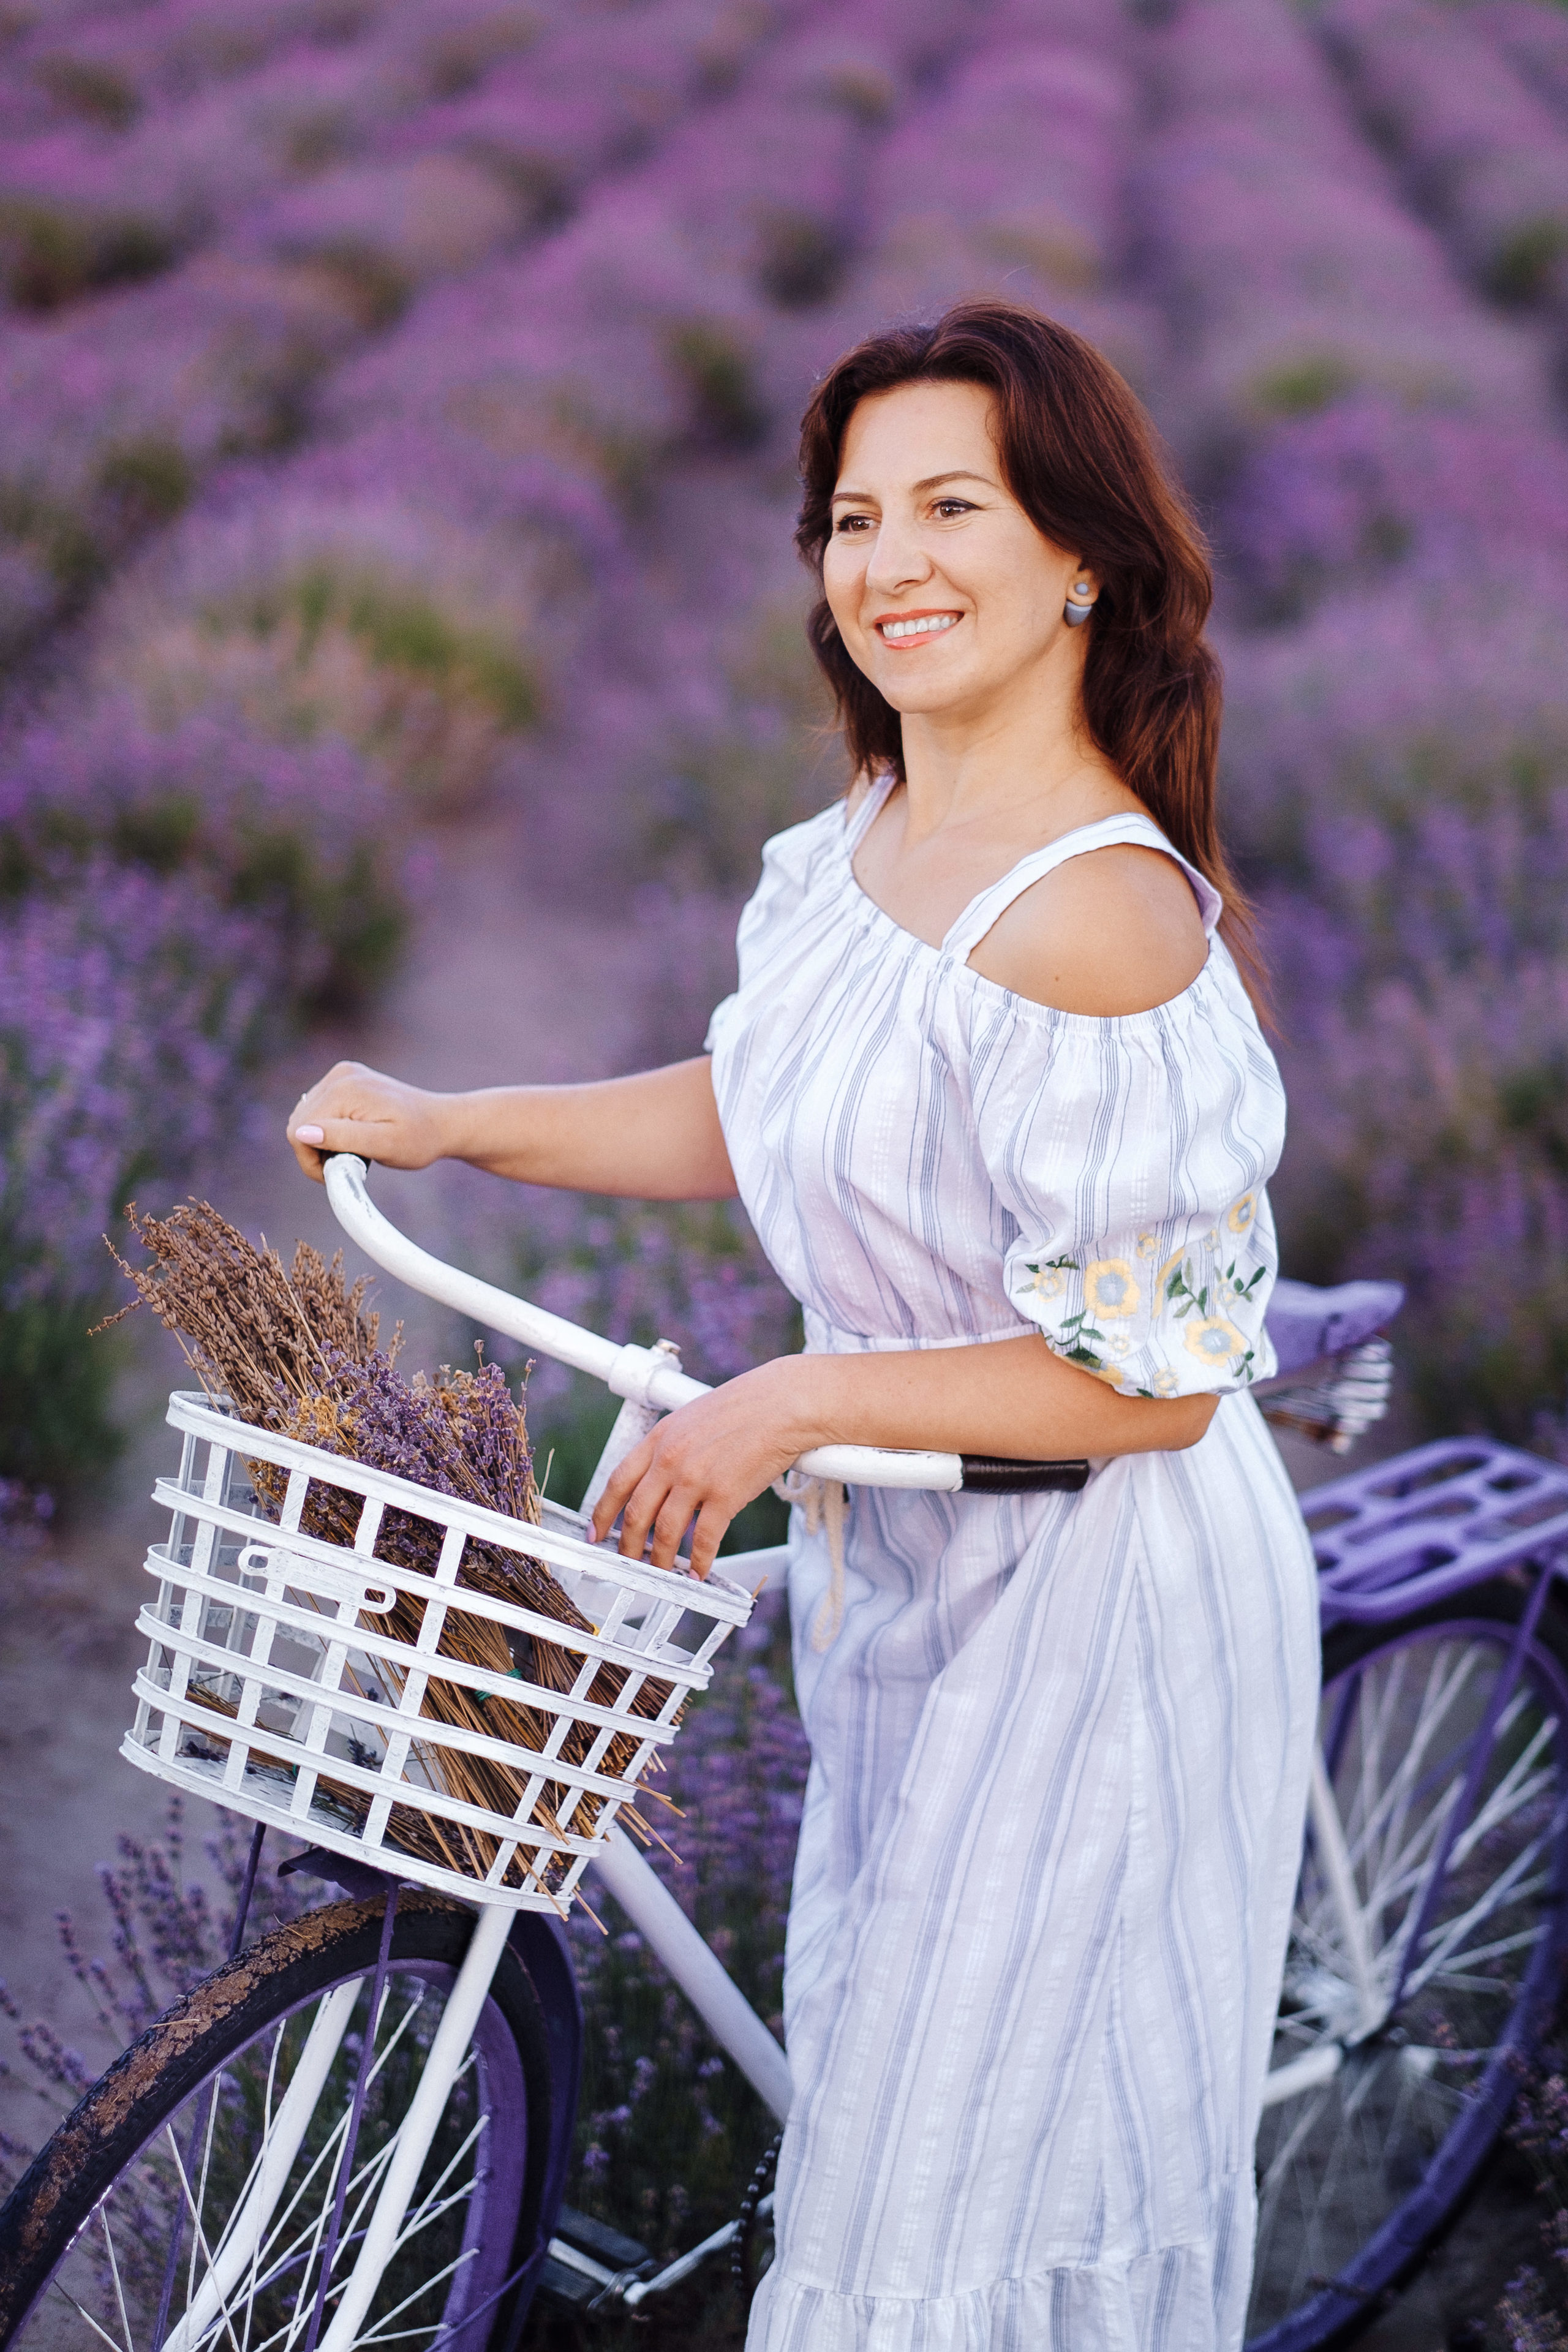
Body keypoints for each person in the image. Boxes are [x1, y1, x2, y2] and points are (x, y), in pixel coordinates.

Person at [288, 299, 1319, 2351]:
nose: (890, 562)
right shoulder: (861, 844)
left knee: (951, 2208)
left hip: (1100, 1622)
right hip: (917, 1569)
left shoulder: (1098, 917)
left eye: (956, 506)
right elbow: (764, 1111)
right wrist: (456, 1120)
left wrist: (790, 1397)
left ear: (1081, 557)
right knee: (893, 2103)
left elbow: (1161, 1392)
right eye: (856, 517)